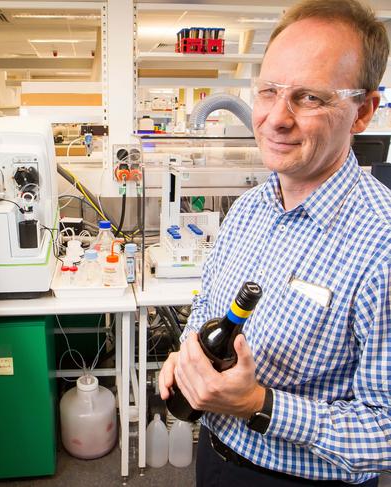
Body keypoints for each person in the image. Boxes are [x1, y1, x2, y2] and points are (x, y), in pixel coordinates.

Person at [158, 0, 390, 485]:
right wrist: (185, 353)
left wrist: (259, 405)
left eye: (309, 98)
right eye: (268, 91)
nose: (275, 118)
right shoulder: (249, 209)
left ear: (362, 112)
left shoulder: (381, 243)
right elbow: (208, 314)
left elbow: (385, 429)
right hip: (214, 458)